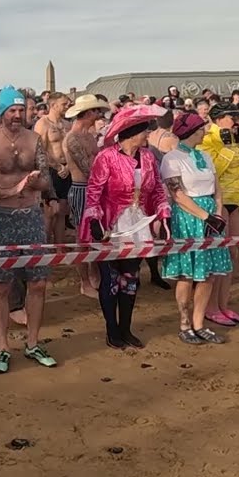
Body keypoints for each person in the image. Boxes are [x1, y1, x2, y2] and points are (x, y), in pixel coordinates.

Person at [0, 86, 59, 374]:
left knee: (38, 282)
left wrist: (36, 183)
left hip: (31, 217)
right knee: (1, 285)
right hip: (1, 218)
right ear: (1, 113)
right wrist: (10, 189)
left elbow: (47, 179)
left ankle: (33, 342)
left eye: (21, 110)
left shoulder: (35, 140)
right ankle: (2, 346)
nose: (18, 115)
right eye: (12, 110)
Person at [79, 105, 171, 349]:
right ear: (133, 133)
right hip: (110, 224)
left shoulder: (149, 157)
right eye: (144, 131)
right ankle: (112, 331)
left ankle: (126, 329)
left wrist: (163, 212)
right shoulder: (106, 157)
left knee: (130, 278)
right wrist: (94, 220)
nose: (148, 135)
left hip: (138, 223)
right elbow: (94, 192)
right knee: (110, 279)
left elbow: (158, 189)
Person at [160, 113, 232, 344]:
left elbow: (217, 187)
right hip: (188, 218)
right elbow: (177, 194)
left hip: (211, 215)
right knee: (187, 273)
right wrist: (205, 216)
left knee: (208, 273)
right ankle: (184, 323)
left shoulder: (205, 156)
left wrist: (217, 212)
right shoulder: (171, 159)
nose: (204, 131)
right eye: (201, 128)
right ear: (191, 131)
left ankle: (199, 322)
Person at [199, 103, 239, 324]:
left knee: (231, 256)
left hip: (236, 200)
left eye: (235, 116)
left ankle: (223, 305)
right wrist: (227, 146)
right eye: (230, 117)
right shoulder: (207, 141)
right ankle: (211, 307)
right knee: (219, 256)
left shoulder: (237, 138)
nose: (234, 120)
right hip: (218, 199)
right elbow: (212, 172)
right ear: (218, 119)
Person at [63, 94, 110, 299]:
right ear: (88, 113)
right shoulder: (72, 138)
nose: (99, 114)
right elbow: (87, 167)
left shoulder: (89, 136)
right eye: (96, 111)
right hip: (82, 188)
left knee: (96, 235)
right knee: (82, 238)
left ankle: (94, 274)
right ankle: (85, 281)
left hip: (93, 187)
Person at [35, 93, 73, 247]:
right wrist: (57, 166)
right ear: (53, 105)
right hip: (51, 170)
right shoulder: (42, 124)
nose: (67, 106)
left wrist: (69, 166)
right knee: (50, 211)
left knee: (63, 210)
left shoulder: (67, 125)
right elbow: (40, 150)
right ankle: (44, 247)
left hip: (67, 169)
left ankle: (60, 247)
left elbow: (72, 148)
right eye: (64, 104)